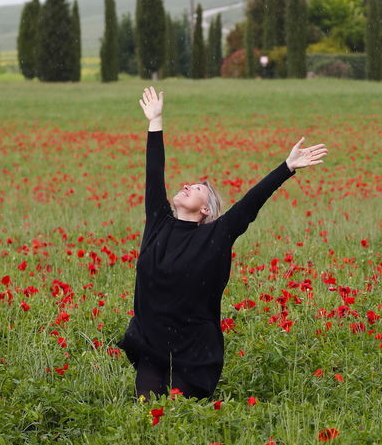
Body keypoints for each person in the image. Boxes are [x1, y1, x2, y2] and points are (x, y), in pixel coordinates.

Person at [117, 86, 328, 402]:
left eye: (199, 187)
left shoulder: (215, 236)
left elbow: (250, 203)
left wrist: (287, 167)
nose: (188, 185)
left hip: (193, 354)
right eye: (188, 184)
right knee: (145, 413)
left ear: (206, 210)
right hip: (151, 348)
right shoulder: (158, 221)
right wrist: (155, 121)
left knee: (182, 417)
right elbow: (153, 172)